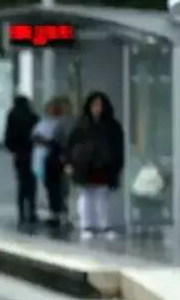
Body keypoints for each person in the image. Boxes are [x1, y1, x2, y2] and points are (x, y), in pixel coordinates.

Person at [66, 92, 125, 238]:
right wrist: (68, 163)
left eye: (100, 105)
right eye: (95, 105)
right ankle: (87, 225)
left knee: (102, 195)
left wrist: (118, 165)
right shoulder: (81, 125)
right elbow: (71, 145)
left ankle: (103, 225)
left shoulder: (112, 126)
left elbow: (118, 147)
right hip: (85, 166)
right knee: (87, 195)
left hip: (104, 166)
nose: (97, 109)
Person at [31, 96, 72, 229]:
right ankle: (55, 214)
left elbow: (60, 142)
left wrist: (46, 142)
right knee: (52, 189)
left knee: (60, 189)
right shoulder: (45, 123)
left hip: (57, 160)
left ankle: (61, 215)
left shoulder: (62, 124)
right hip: (48, 160)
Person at [4, 95, 40, 226]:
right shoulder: (32, 116)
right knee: (32, 183)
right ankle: (32, 211)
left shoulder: (12, 115)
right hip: (32, 154)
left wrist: (13, 149)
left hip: (19, 154)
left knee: (21, 183)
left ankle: (21, 212)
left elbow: (8, 136)